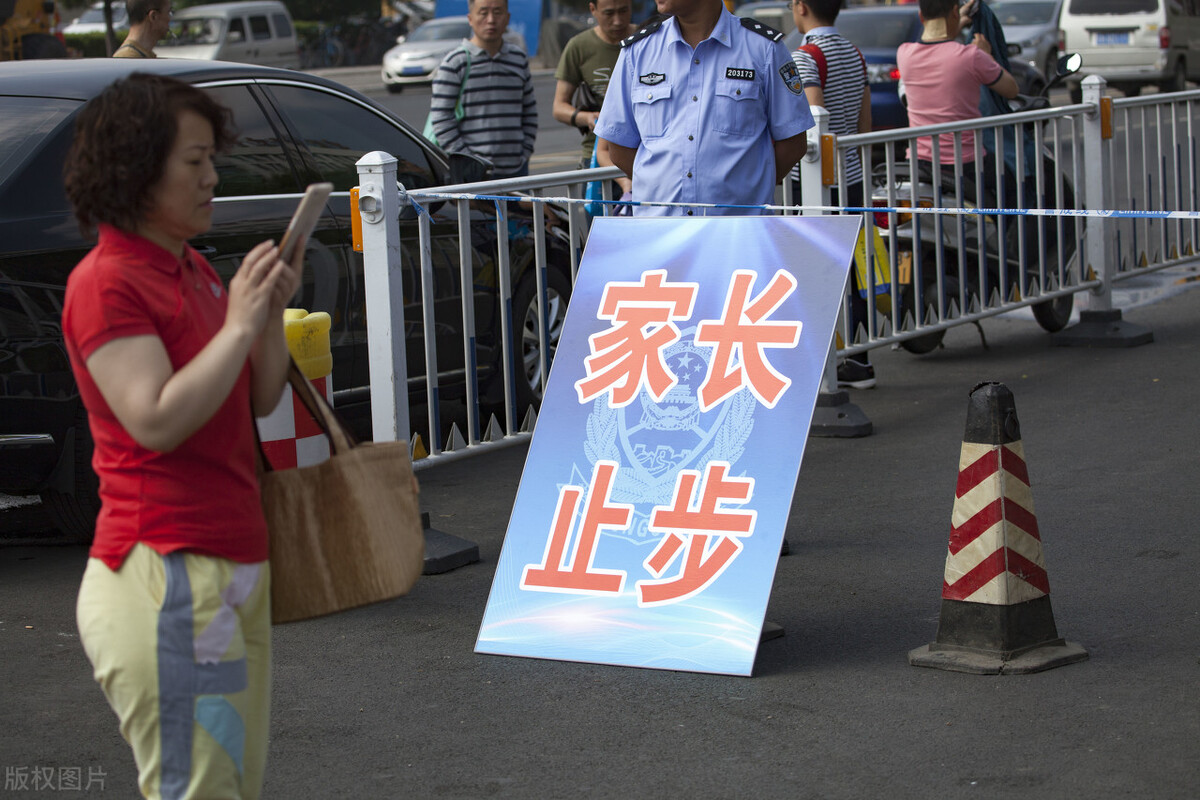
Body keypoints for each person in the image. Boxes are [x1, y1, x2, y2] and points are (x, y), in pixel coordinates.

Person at [63, 73, 301, 799]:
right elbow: (155, 417)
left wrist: (263, 324)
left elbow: (259, 400)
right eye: (193, 161)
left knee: (225, 785)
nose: (212, 177)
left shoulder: (189, 266)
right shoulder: (107, 280)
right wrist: (236, 325)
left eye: (210, 159)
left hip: (225, 564)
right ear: (137, 167)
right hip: (165, 567)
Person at [594, 0, 814, 216]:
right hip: (661, 233)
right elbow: (618, 146)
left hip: (738, 231)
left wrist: (748, 189)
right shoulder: (638, 51)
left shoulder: (763, 48)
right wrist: (659, 185)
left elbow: (793, 142)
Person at [789, 0, 876, 388]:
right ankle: (859, 360)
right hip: (851, 172)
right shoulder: (854, 53)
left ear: (801, 6)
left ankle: (816, 365)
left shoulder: (804, 56)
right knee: (857, 265)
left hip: (813, 181)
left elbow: (812, 122)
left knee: (810, 266)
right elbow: (865, 121)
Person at [896, 0, 1018, 196]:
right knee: (1013, 194)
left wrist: (955, 20)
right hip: (965, 162)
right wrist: (989, 56)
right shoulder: (972, 56)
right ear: (954, 12)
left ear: (921, 16)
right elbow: (1011, 89)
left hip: (919, 161)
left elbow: (932, 42)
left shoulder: (904, 53)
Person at [428, 0, 538, 179]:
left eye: (497, 12)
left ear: (508, 17)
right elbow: (441, 118)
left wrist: (524, 153)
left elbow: (529, 111)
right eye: (483, 13)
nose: (491, 20)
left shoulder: (518, 58)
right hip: (474, 175)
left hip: (516, 171)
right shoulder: (455, 63)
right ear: (470, 18)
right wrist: (468, 160)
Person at [553, 0, 636, 169]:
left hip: (640, 156)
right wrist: (587, 117)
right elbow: (559, 107)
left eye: (623, 11)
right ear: (593, 9)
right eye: (609, 13)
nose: (618, 20)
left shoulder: (647, 38)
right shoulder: (579, 46)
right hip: (596, 157)